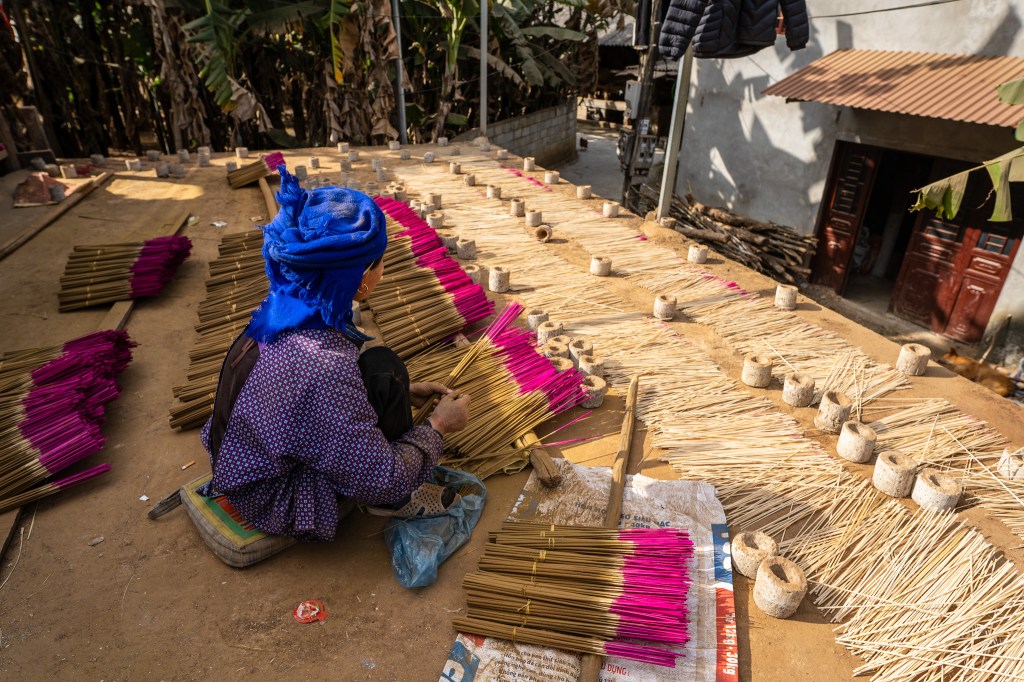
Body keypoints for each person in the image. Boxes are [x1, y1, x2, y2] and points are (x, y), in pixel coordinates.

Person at [199, 167, 472, 542]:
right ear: (359, 276)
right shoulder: (322, 365)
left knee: (383, 368)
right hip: (273, 495)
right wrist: (438, 425)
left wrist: (404, 391)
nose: (383, 271)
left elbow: (300, 399)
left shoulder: (287, 306)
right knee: (384, 474)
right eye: (379, 262)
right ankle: (394, 505)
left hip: (239, 452)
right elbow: (383, 480)